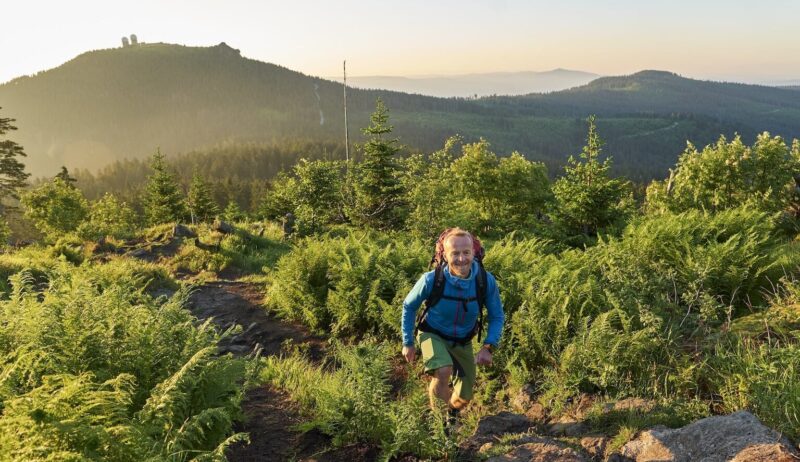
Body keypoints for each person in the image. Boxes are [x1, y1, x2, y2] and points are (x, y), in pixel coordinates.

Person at [401, 228, 504, 431]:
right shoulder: (432, 279)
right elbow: (409, 306)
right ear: (445, 255)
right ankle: (440, 427)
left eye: (466, 252)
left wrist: (488, 347)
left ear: (474, 253)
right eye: (454, 253)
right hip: (432, 333)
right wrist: (408, 342)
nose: (461, 259)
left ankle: (452, 412)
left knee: (465, 396)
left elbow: (497, 316)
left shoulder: (484, 281)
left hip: (463, 340)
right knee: (443, 369)